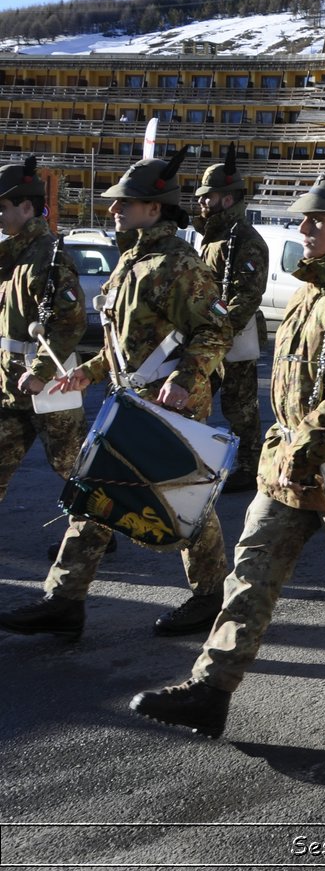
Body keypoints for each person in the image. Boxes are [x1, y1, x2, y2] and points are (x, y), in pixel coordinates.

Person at [130, 147, 325, 739]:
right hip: (290, 462)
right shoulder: (319, 282)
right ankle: (211, 689)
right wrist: (287, 451)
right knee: (251, 571)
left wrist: (299, 451)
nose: (304, 227)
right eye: (305, 217)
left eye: (319, 218)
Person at [0, 148, 232, 641]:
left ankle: (212, 594)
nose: (113, 210)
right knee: (95, 497)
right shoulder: (133, 259)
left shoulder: (178, 264)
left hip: (171, 404)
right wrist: (86, 373)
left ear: (154, 208)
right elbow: (124, 344)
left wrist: (187, 380)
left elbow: (215, 331)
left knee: (186, 501)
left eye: (123, 202)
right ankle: (65, 601)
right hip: (130, 401)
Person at [0, 157, 88, 527]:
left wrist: (39, 373)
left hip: (48, 387)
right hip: (11, 386)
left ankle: (95, 532)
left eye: (2, 207)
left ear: (26, 207)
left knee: (72, 467)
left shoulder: (47, 258)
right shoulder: (15, 256)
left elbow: (69, 323)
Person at [194, 147, 269, 494]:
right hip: (208, 334)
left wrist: (217, 329)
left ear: (226, 200)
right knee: (194, 401)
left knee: (240, 410)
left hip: (232, 339)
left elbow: (245, 297)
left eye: (207, 197)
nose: (201, 204)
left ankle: (251, 467)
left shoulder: (246, 241)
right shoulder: (213, 237)